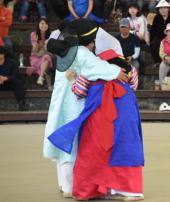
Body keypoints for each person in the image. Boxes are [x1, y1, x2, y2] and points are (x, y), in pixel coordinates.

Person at [46, 20, 144, 201]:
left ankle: (75, 187)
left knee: (86, 149)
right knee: (127, 146)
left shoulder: (76, 56)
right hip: (126, 107)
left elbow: (80, 90)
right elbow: (134, 84)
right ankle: (130, 190)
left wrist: (75, 81)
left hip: (97, 110)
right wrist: (118, 75)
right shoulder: (121, 64)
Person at [150, 0, 170, 65]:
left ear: (168, 9)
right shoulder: (157, 17)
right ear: (158, 10)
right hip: (159, 37)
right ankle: (157, 62)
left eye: (165, 8)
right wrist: (151, 39)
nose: (163, 10)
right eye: (161, 8)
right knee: (153, 44)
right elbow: (153, 30)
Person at [27, 18, 53, 90]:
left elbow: (50, 50)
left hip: (46, 55)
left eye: (46, 24)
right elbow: (35, 51)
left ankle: (41, 77)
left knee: (47, 57)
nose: (44, 25)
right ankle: (49, 85)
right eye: (42, 23)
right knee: (47, 60)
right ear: (38, 25)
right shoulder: (33, 34)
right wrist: (36, 43)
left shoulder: (50, 35)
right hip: (36, 57)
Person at [0, 46, 26, 111]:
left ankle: (21, 103)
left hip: (9, 84)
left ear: (3, 54)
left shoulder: (11, 62)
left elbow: (16, 75)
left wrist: (6, 78)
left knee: (17, 82)